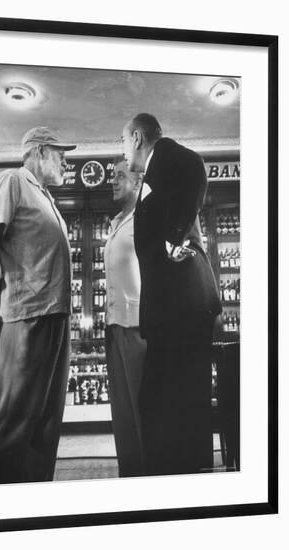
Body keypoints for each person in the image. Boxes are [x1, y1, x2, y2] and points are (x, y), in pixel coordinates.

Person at [0, 126, 76, 484]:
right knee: (12, 424)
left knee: (44, 426)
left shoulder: (45, 196)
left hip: (54, 318)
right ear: (40, 151)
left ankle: (32, 504)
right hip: (28, 315)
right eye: (61, 154)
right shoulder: (14, 180)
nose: (66, 161)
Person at [121, 113, 222, 476]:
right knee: (168, 404)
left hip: (181, 307)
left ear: (136, 137)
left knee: (180, 404)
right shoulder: (153, 170)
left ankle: (187, 484)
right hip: (171, 310)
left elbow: (195, 166)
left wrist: (171, 239)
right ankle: (179, 478)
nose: (123, 150)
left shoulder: (169, 156)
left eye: (122, 142)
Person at [104, 158, 147, 477]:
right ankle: (130, 475)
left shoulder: (147, 218)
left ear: (137, 182)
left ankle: (148, 477)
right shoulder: (118, 221)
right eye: (113, 176)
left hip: (138, 327)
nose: (113, 181)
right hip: (113, 325)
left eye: (120, 176)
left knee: (142, 410)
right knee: (122, 412)